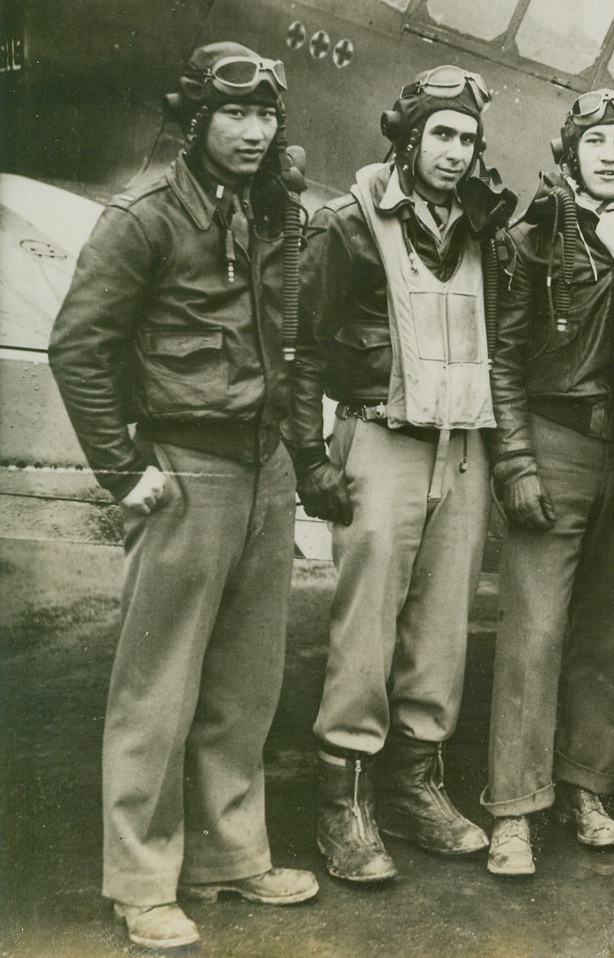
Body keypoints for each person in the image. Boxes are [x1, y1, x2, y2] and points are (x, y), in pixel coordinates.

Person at [48, 42, 318, 949]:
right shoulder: (145, 216)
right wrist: (124, 470)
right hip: (184, 469)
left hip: (263, 468)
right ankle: (140, 881)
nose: (252, 131)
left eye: (265, 116)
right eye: (234, 115)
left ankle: (231, 858)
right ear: (197, 120)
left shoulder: (275, 212)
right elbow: (79, 347)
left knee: (247, 683)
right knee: (156, 688)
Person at [287, 65, 514, 883]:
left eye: (467, 138)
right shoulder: (345, 223)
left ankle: (416, 786)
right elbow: (301, 349)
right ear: (410, 138)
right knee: (365, 625)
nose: (454, 153)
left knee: (444, 623)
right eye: (441, 135)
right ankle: (342, 802)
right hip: (380, 437)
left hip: (464, 445)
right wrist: (311, 458)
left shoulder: (484, 227)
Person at [481, 90, 614, 877]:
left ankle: (585, 787)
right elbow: (504, 360)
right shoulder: (531, 240)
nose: (610, 154)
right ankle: (514, 808)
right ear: (571, 152)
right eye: (596, 142)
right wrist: (515, 462)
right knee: (536, 633)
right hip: (555, 444)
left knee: (612, 633)